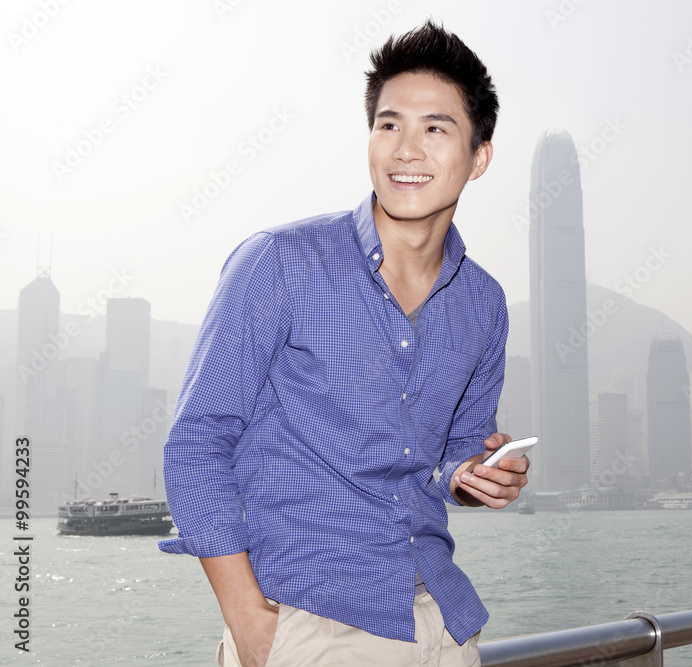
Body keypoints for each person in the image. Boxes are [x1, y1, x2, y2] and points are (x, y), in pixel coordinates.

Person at [158, 21, 528, 667]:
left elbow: (453, 455)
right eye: (389, 125)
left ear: (479, 157)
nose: (406, 149)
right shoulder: (279, 262)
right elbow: (197, 440)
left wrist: (477, 476)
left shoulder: (484, 302)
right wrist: (249, 621)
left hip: (443, 622)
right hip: (309, 622)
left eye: (435, 128)